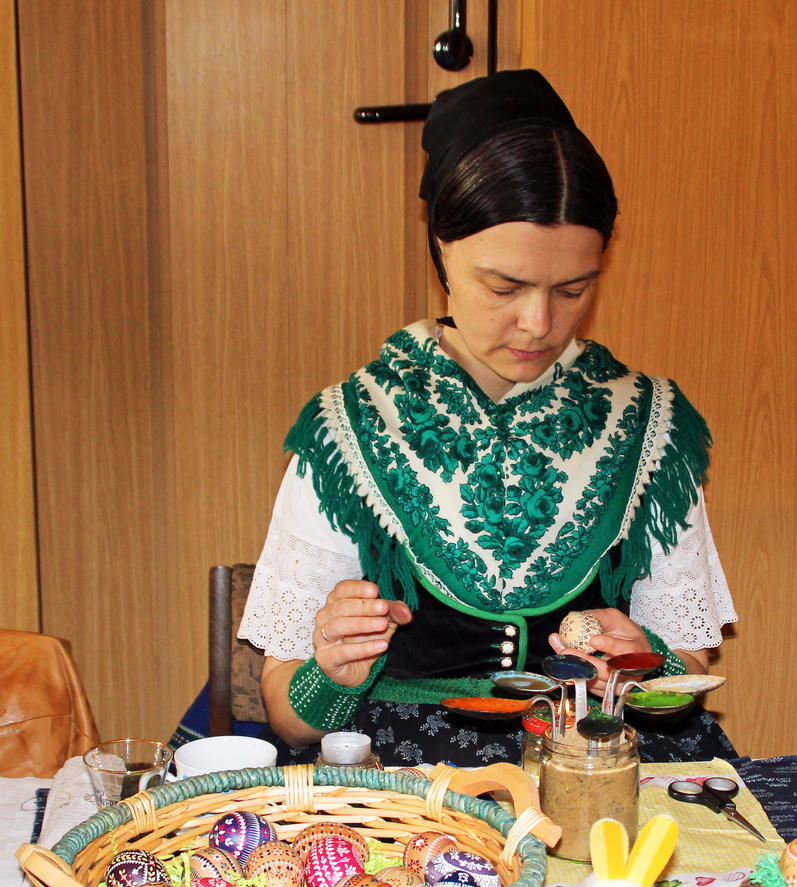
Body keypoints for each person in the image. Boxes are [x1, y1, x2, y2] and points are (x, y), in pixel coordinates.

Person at [238, 70, 737, 766]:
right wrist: (330, 676)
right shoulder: (350, 429)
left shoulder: (648, 426)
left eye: (573, 288)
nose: (538, 324)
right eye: (504, 286)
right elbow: (288, 721)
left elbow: (686, 679)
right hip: (409, 784)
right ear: (440, 249)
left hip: (595, 764)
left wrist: (645, 663)